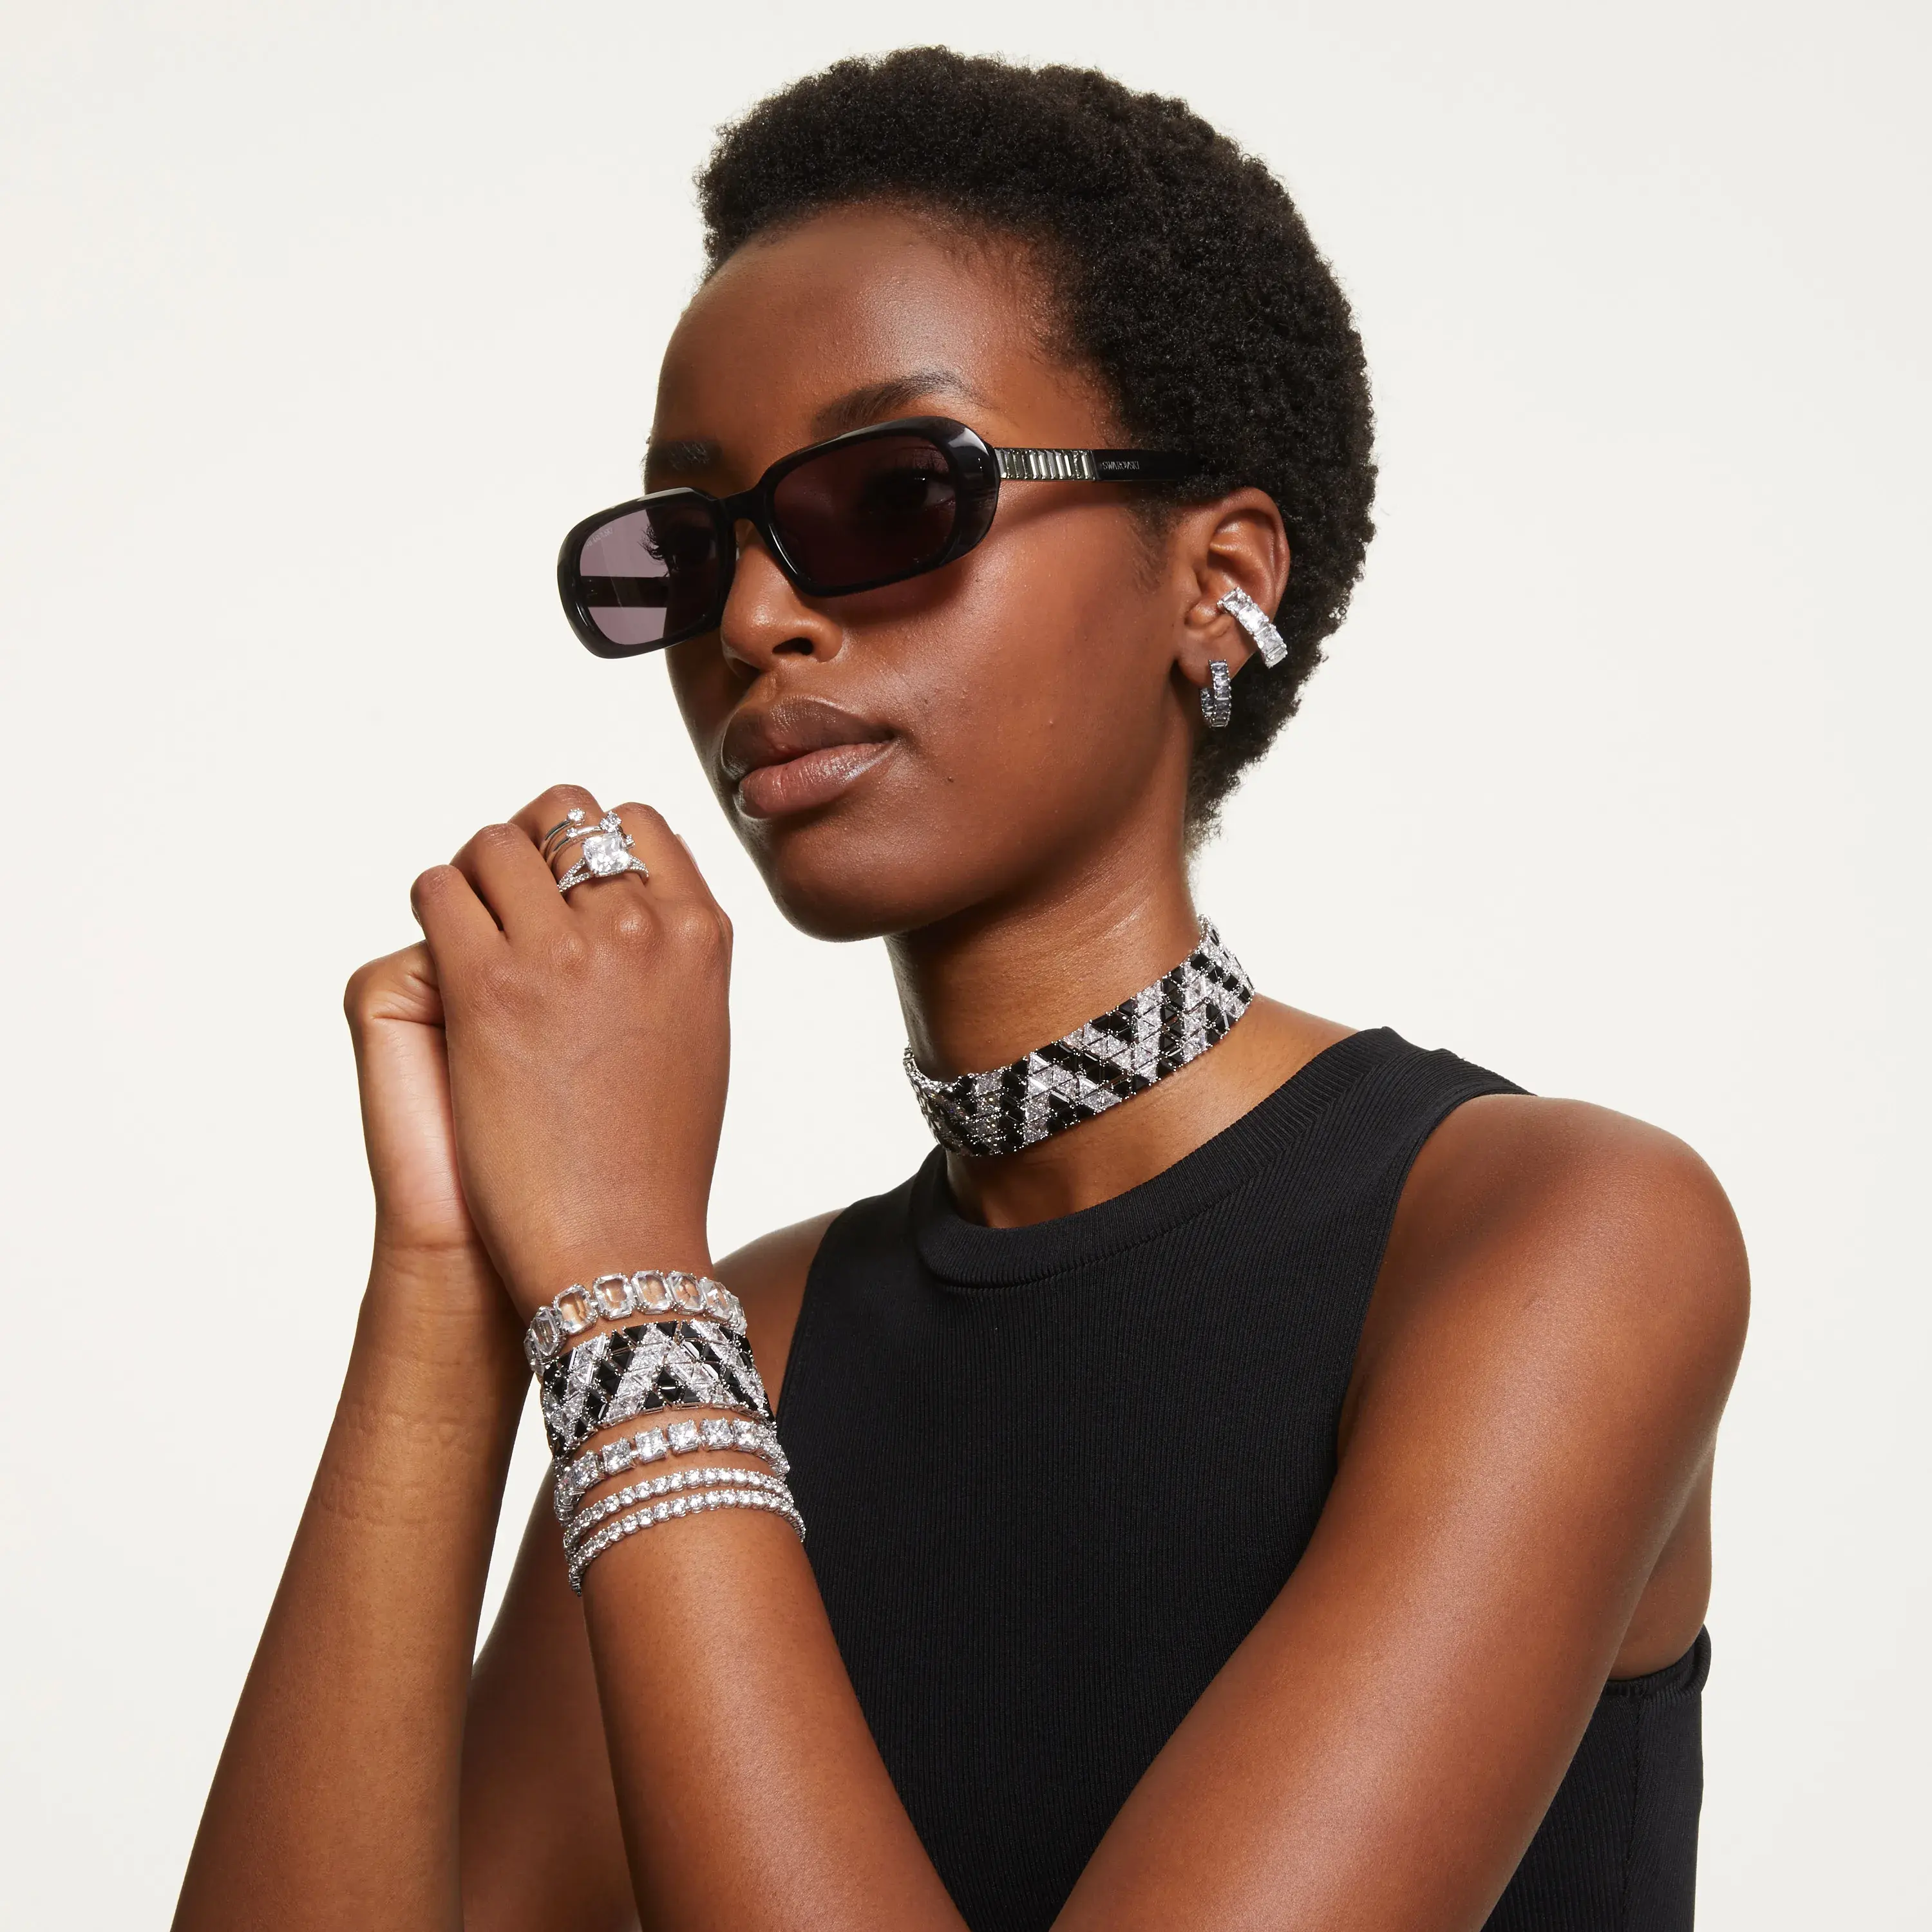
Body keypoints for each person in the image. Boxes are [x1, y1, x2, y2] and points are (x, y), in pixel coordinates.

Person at [174, 46, 1748, 1932]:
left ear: (1217, 584)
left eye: (888, 496)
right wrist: (452, 1279)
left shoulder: (1559, 1234)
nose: (754, 620)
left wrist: (619, 1283)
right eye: (691, 546)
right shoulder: (742, 1341)